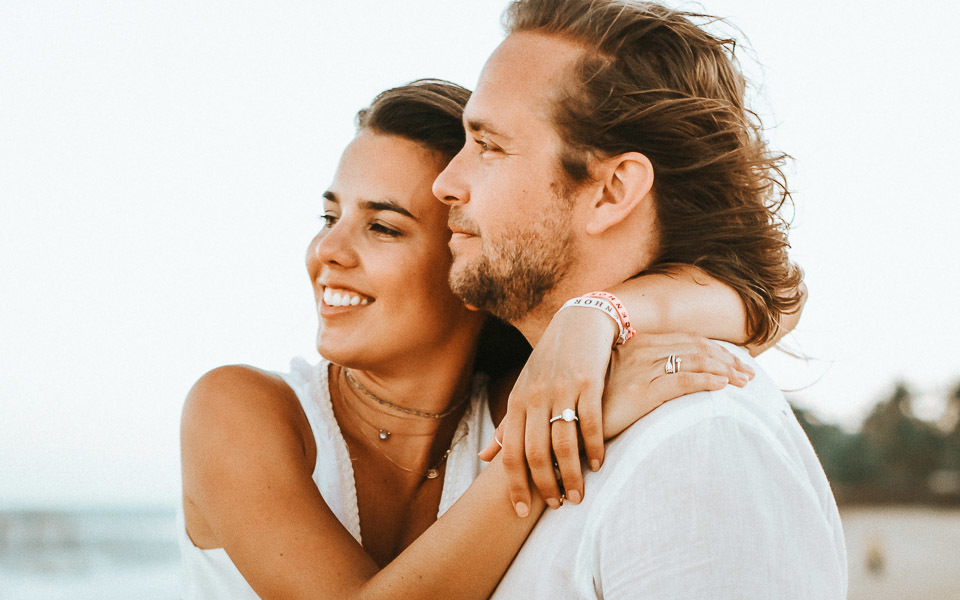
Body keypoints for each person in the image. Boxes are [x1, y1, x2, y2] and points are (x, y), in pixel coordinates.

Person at [178, 79, 789, 599]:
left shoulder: (522, 401)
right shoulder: (238, 410)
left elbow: (771, 306)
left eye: (383, 227)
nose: (327, 252)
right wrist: (546, 442)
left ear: (476, 261)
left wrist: (595, 315)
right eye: (329, 216)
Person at [431, 0, 847, 597]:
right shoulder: (503, 412)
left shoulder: (698, 444)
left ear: (611, 191)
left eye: (488, 146)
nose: (446, 183)